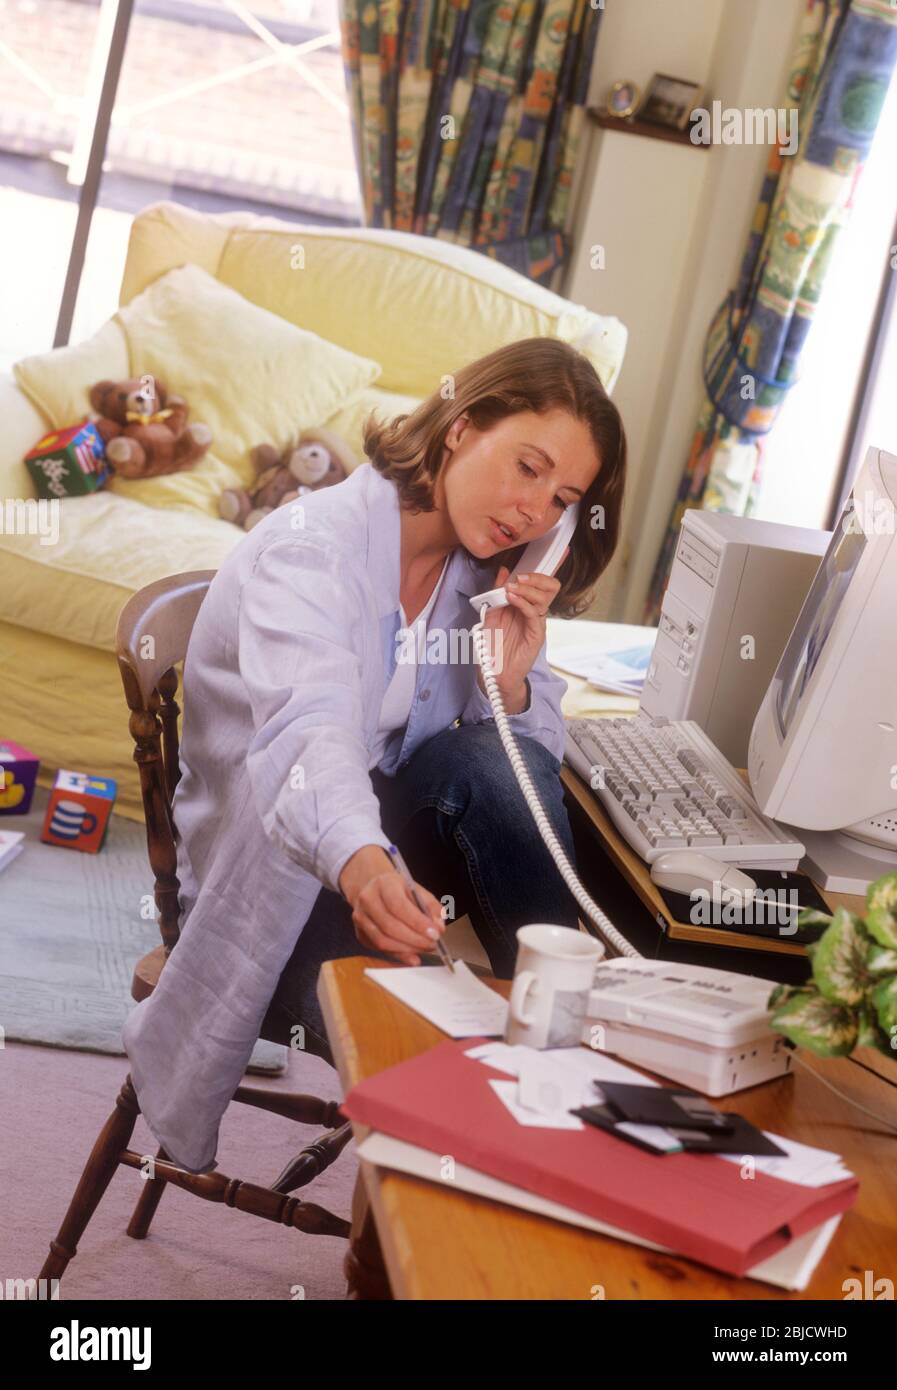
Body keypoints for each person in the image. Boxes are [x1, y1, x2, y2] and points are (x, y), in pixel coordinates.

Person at [122, 336, 627, 1173]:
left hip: (390, 862)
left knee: (492, 766)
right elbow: (306, 735)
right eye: (527, 467)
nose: (534, 511)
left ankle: (560, 1045)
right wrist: (361, 866)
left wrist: (508, 685)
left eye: (562, 496)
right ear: (462, 428)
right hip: (280, 884)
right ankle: (517, 1144)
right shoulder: (308, 553)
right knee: (440, 1071)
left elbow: (525, 782)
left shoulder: (478, 581)